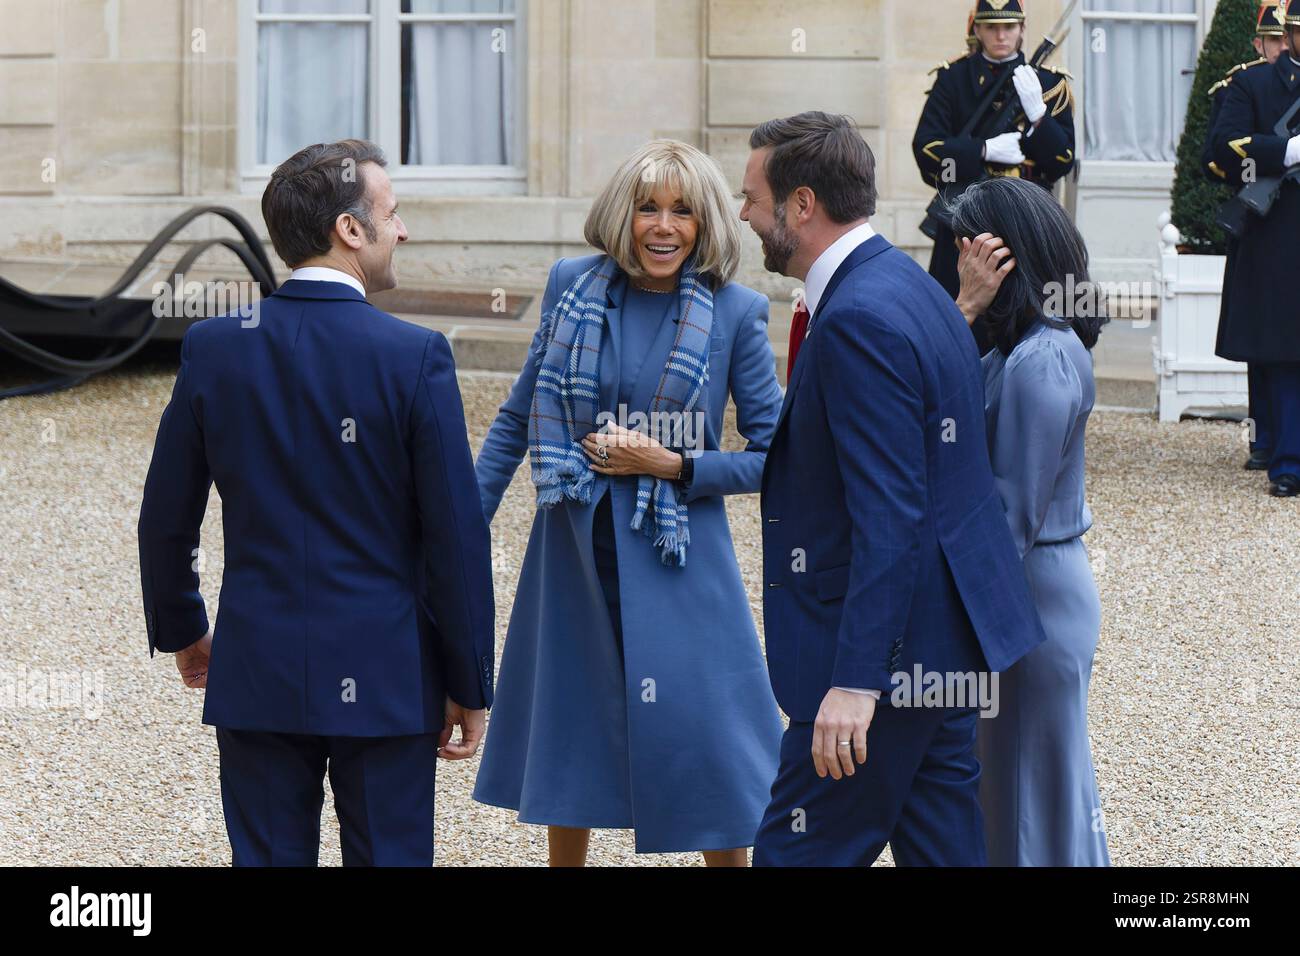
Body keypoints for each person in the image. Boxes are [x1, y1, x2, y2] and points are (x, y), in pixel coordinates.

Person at [137, 139, 495, 866]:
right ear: (350, 229)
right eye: (392, 214)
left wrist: (185, 628)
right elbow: (455, 538)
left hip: (257, 665)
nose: (404, 231)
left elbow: (165, 519)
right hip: (389, 673)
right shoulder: (414, 356)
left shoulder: (215, 348)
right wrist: (469, 681)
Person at [741, 111, 1045, 867]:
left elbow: (891, 511)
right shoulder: (905, 283)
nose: (743, 214)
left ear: (801, 204)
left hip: (889, 662)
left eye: (751, 197)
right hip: (942, 644)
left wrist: (856, 682)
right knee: (944, 850)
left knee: (794, 854)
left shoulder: (858, 318)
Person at [471, 139, 785, 866]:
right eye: (648, 207)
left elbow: (775, 457)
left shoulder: (736, 312)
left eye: (682, 211)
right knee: (573, 725)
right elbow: (519, 417)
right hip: (572, 548)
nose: (663, 226)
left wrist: (673, 464)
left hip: (681, 557)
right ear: (624, 213)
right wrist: (461, 524)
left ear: (706, 222)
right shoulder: (570, 284)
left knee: (710, 741)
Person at [951, 176, 1111, 867]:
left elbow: (1012, 511)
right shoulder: (1012, 353)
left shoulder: (1041, 359)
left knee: (1030, 794)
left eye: (965, 246)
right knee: (1025, 787)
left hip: (1033, 593)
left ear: (1000, 254)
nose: (955, 258)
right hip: (1032, 588)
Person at [912, 0, 1075, 354]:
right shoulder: (953, 79)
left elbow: (1063, 160)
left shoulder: (1048, 83)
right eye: (991, 27)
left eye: (1009, 27)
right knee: (957, 312)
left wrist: (1038, 119)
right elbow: (926, 152)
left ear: (1022, 29)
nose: (1001, 35)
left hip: (1026, 214)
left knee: (1030, 309)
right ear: (977, 29)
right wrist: (981, 151)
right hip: (967, 214)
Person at [1212, 0, 1300, 497]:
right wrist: (1283, 152)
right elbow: (1224, 150)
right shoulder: (1254, 85)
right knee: (1286, 352)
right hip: (1279, 235)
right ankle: (1287, 461)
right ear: (1288, 34)